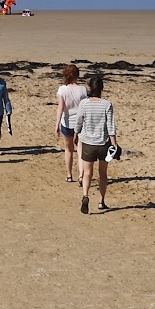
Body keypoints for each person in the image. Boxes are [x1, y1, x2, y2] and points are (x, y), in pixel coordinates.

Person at [69, 73, 117, 213]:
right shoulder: (107, 104)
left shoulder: (84, 103)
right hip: (103, 143)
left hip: (88, 143)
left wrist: (76, 134)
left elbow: (79, 121)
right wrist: (114, 143)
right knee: (103, 174)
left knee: (87, 173)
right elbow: (111, 126)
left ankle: (85, 195)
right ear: (102, 88)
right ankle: (101, 201)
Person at [55, 64, 88, 184]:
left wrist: (57, 124)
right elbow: (85, 107)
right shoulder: (83, 89)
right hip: (80, 124)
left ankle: (69, 175)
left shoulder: (62, 90)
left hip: (67, 123)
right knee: (80, 150)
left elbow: (60, 108)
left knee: (68, 150)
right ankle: (81, 175)